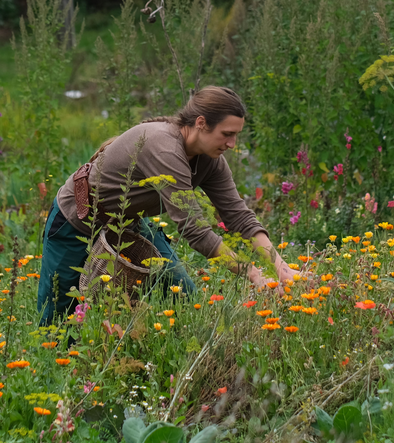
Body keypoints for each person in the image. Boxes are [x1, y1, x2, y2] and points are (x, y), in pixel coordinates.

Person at [37, 86, 301, 325]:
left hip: (127, 224)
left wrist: (281, 268)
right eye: (227, 134)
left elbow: (239, 217)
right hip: (76, 220)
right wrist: (253, 274)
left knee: (182, 295)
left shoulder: (210, 160)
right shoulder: (165, 149)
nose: (232, 144)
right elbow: (195, 230)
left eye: (236, 136)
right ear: (201, 123)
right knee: (57, 316)